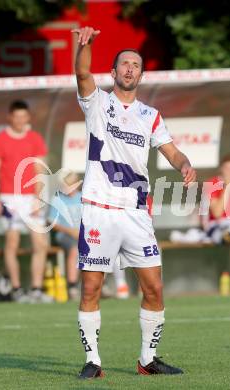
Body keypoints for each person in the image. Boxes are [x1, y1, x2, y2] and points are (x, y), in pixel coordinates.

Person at [72, 26, 196, 379]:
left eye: (136, 65)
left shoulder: (150, 115)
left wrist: (184, 163)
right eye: (124, 64)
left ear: (141, 74)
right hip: (99, 209)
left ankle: (148, 360)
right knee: (92, 287)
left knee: (154, 287)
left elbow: (171, 150)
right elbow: (82, 73)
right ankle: (93, 362)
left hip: (136, 213)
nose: (130, 69)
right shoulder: (98, 102)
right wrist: (86, 45)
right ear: (113, 73)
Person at [0, 100, 51, 303]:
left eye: (24, 117)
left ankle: (36, 289)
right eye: (17, 117)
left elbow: (39, 170)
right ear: (10, 117)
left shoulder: (35, 138)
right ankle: (16, 289)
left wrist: (39, 197)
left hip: (30, 197)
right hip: (8, 197)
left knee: (40, 244)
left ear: (28, 118)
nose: (20, 120)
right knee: (12, 242)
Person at [48, 172, 82, 300]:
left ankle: (99, 284)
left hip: (83, 235)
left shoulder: (83, 197)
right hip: (65, 235)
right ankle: (72, 286)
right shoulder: (58, 199)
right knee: (74, 250)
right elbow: (53, 223)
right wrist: (71, 231)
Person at [202, 154, 230, 244]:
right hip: (214, 226)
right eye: (226, 168)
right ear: (221, 169)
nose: (228, 172)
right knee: (224, 235)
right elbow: (217, 213)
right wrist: (227, 186)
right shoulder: (212, 183)